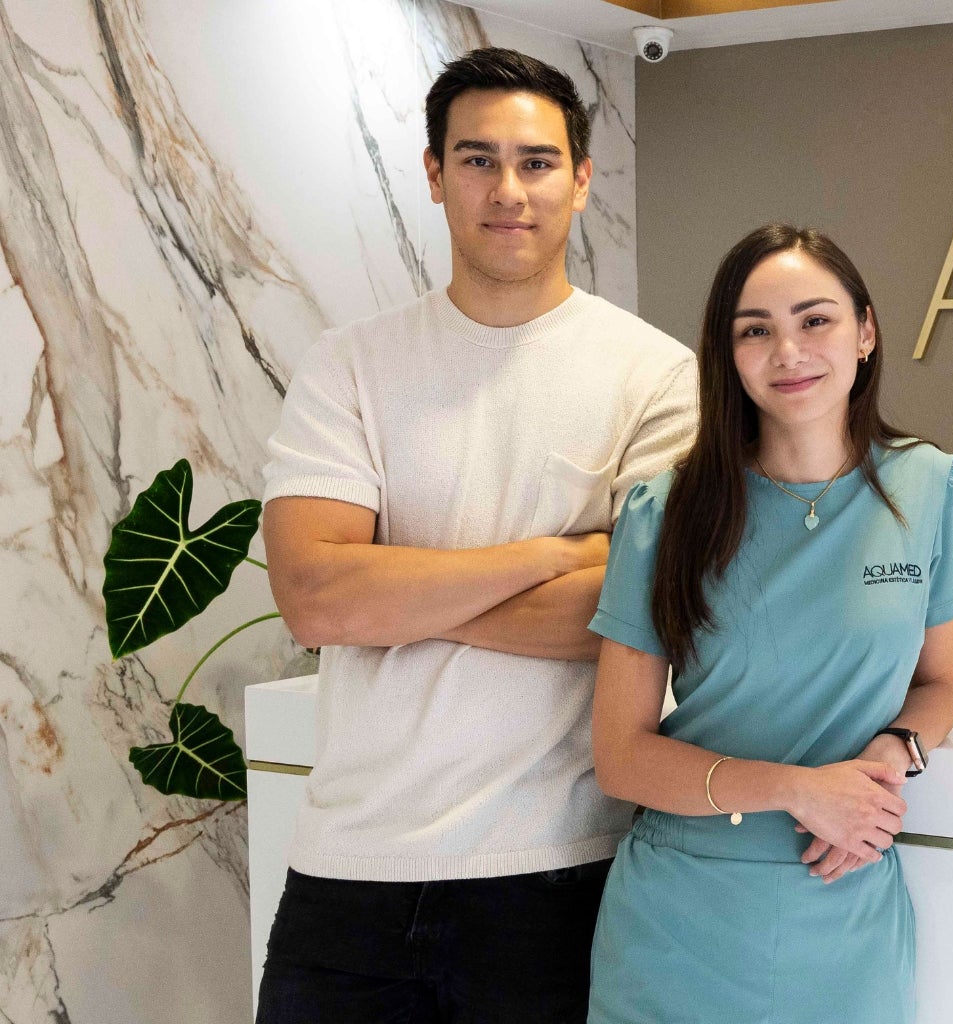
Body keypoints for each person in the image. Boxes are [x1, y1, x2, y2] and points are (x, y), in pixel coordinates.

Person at [255, 48, 696, 1023]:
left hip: (558, 878)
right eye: (477, 159)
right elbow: (317, 599)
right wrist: (553, 553)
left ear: (582, 179)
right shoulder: (350, 367)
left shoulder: (654, 377)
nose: (509, 190)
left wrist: (396, 596)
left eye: (536, 162)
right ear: (433, 172)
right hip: (347, 881)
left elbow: (625, 619)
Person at [586, 225, 953, 1024]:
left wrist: (889, 756)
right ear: (727, 356)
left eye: (815, 319)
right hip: (681, 915)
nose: (788, 350)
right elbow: (620, 756)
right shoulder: (665, 511)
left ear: (865, 331)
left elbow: (939, 685)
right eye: (755, 330)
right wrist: (800, 789)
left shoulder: (930, 485)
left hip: (846, 897)